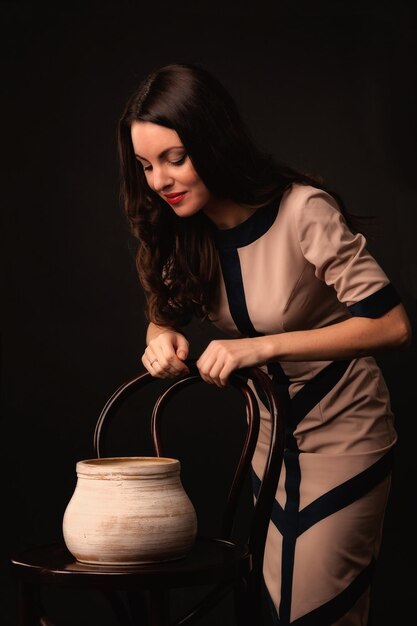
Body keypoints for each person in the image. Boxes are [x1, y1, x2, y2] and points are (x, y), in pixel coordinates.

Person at [117, 63, 411, 625]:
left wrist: (263, 348)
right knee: (272, 611)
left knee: (318, 613)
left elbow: (392, 325)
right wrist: (160, 339)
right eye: (146, 165)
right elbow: (162, 316)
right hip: (269, 444)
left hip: (346, 435)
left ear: (214, 140)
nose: (159, 180)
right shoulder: (185, 225)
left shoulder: (304, 211)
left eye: (174, 158)